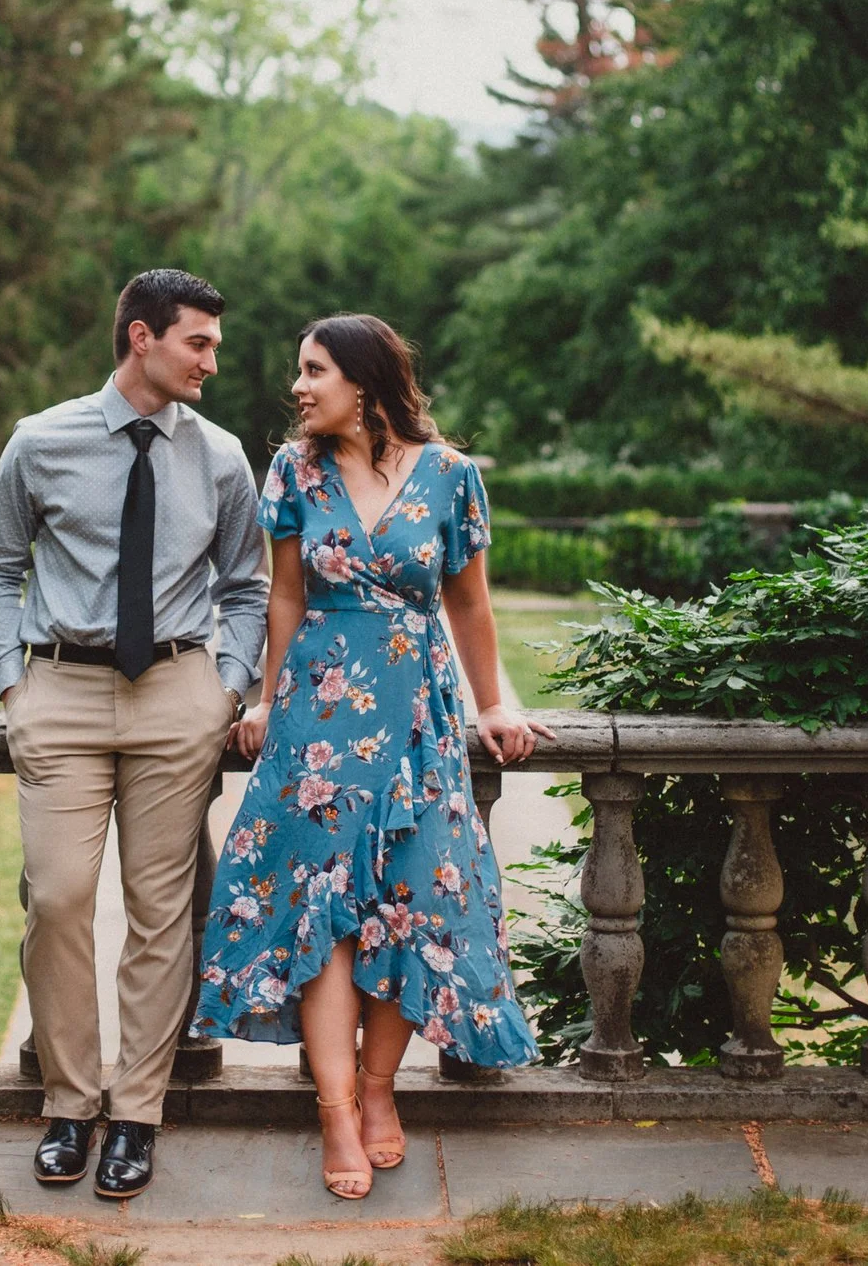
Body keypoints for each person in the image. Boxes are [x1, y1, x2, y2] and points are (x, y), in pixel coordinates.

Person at [191, 312, 553, 1200]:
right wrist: (267, 698)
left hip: (420, 719)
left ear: (364, 381)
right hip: (318, 721)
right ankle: (338, 1111)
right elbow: (284, 595)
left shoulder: (451, 475)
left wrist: (494, 702)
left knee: (413, 905)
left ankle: (381, 1085)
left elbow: (469, 602)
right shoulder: (294, 470)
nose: (299, 386)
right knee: (325, 916)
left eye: (314, 370)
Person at [0, 268, 268, 1200]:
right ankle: (68, 1103)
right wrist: (15, 685)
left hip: (177, 696)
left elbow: (248, 586)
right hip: (60, 692)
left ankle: (137, 1112)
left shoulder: (221, 457)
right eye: (198, 342)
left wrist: (224, 688)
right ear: (143, 336)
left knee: (160, 910)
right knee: (58, 898)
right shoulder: (40, 441)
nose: (211, 362)